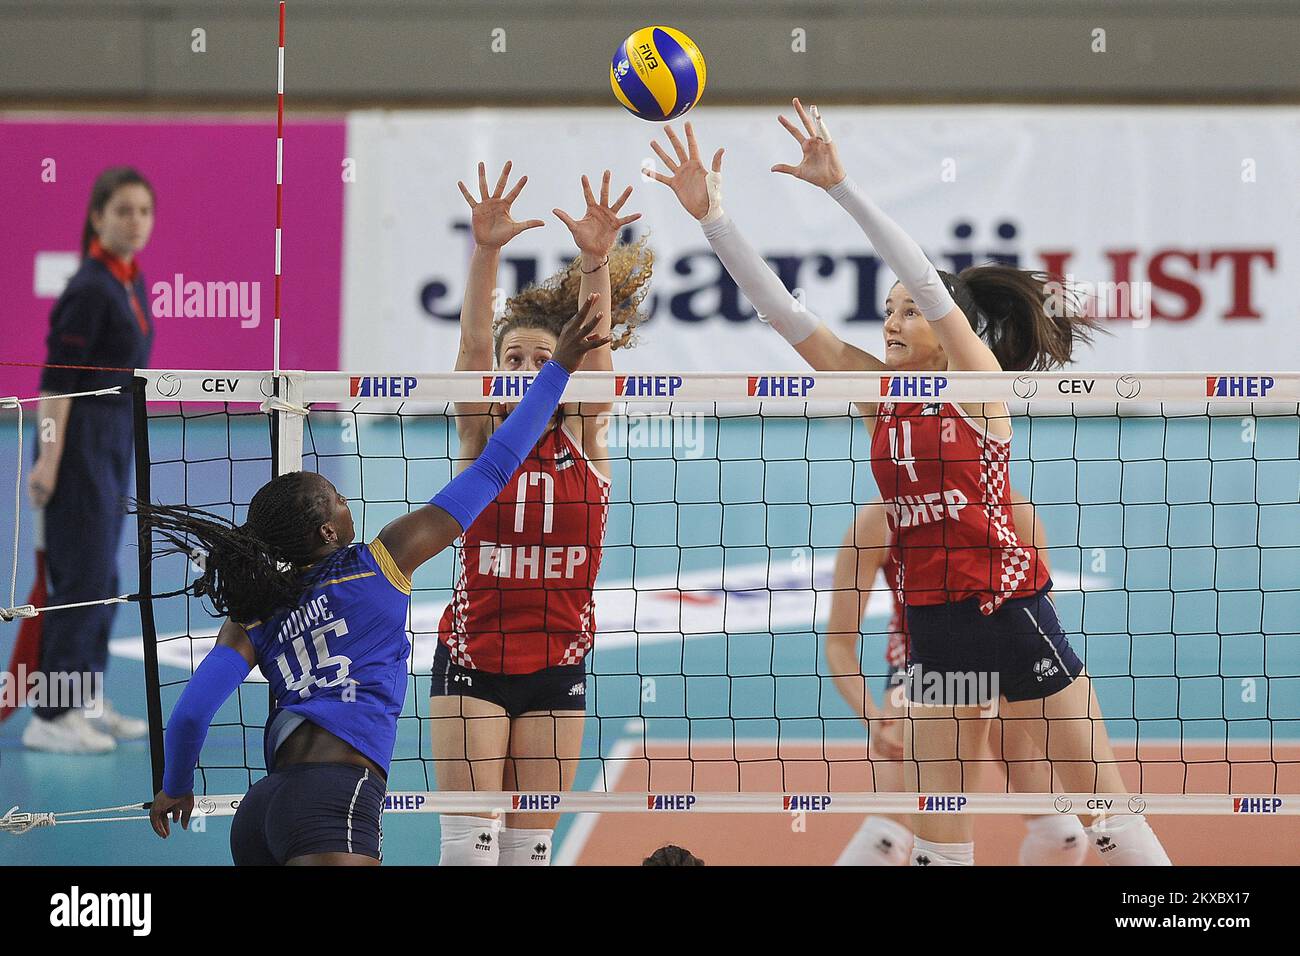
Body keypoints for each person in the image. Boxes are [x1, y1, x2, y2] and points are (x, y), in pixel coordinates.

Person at [649, 106, 1170, 866]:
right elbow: (781, 312)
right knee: (937, 846)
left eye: (906, 312)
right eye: (884, 311)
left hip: (1010, 612)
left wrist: (842, 189)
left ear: (945, 322)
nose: (892, 322)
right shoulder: (875, 393)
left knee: (1107, 819)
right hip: (934, 632)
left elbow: (927, 279)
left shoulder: (975, 385)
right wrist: (714, 218)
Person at [145, 299, 607, 865]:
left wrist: (175, 785)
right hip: (335, 803)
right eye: (336, 500)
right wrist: (557, 369)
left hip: (261, 811)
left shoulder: (252, 611)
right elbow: (494, 465)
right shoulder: (381, 563)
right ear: (327, 531)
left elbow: (191, 712)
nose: (346, 502)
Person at [431, 162, 649, 865]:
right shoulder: (478, 439)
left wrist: (594, 262)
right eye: (512, 359)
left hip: (558, 661)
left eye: (538, 359)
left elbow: (594, 356)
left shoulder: (584, 436)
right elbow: (470, 350)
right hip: (474, 657)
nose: (524, 370)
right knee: (470, 845)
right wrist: (486, 252)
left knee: (529, 851)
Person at [827, 496, 1087, 866]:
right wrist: (873, 718)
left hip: (1007, 663)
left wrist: (1036, 697)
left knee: (1064, 836)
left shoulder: (1013, 511)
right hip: (926, 670)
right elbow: (839, 644)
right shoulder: (879, 520)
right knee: (885, 838)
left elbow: (1046, 620)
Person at [24, 167, 156, 754]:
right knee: (78, 581)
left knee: (103, 576)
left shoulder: (129, 280)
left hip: (110, 449)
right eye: (124, 210)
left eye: (144, 211)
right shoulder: (88, 289)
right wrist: (49, 462)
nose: (135, 221)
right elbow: (54, 386)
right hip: (75, 455)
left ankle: (85, 694)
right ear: (98, 216)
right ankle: (51, 716)